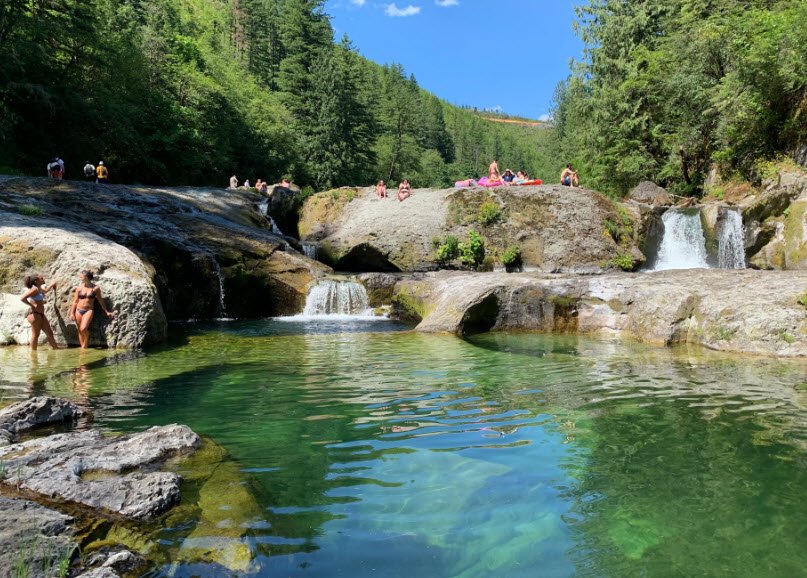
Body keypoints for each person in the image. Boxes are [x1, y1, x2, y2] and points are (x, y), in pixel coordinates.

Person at [69, 270, 115, 349]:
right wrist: (72, 313)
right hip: (78, 310)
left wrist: (106, 311)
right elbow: (75, 301)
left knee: (83, 328)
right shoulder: (79, 288)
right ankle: (83, 348)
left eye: (81, 277)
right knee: (80, 330)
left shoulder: (96, 288)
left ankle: (86, 341)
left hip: (88, 310)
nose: (80, 278)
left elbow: (101, 300)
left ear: (86, 278)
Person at [20, 274, 59, 350]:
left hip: (40, 314)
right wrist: (31, 305)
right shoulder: (34, 289)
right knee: (35, 335)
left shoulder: (38, 288)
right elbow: (23, 298)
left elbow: (46, 291)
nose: (43, 278)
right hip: (35, 315)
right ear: (36, 281)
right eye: (41, 278)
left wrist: (52, 284)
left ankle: (56, 349)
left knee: (49, 332)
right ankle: (33, 354)